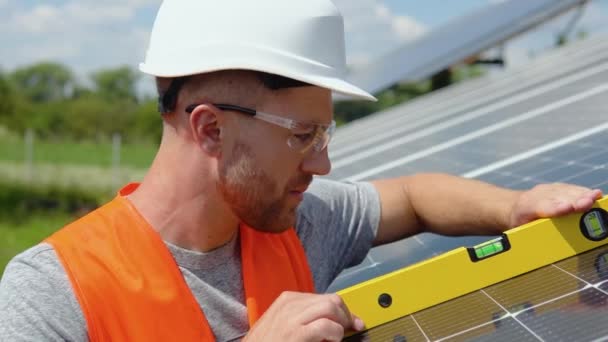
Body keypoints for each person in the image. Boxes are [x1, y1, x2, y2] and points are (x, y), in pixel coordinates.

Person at [0, 0, 603, 341]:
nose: (323, 162)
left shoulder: (298, 223)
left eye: (325, 132)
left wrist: (513, 209)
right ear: (210, 128)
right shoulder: (53, 293)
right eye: (302, 135)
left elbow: (416, 197)